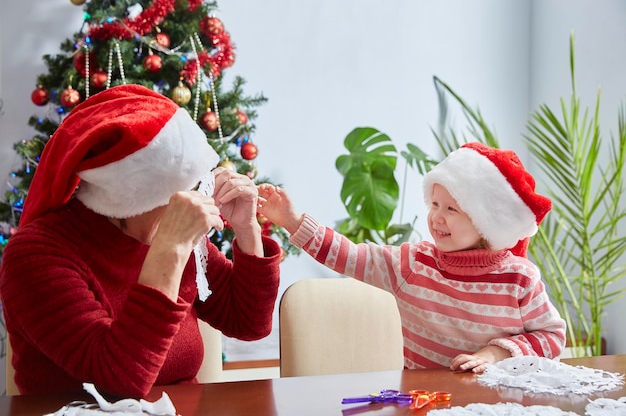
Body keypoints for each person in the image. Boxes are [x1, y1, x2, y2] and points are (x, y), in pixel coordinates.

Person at [0, 84, 281, 397]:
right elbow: (119, 380)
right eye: (191, 183)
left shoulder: (175, 233)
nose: (202, 193)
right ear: (141, 194)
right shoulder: (36, 254)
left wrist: (247, 229)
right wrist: (169, 252)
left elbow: (248, 322)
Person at [257, 142, 566, 374]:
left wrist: (495, 354)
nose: (436, 217)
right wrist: (291, 221)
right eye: (434, 204)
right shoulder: (413, 264)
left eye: (451, 209)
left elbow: (552, 337)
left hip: (495, 404)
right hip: (423, 402)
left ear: (486, 222)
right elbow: (350, 256)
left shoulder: (519, 279)